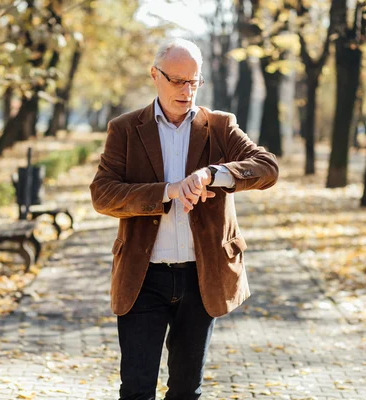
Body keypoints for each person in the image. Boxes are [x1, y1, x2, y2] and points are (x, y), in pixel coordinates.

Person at [90, 38, 279, 400]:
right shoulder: (125, 129)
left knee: (186, 390)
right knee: (136, 389)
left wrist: (213, 173)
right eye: (177, 80)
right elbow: (103, 194)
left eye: (194, 81)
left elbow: (267, 167)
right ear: (155, 76)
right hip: (143, 277)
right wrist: (167, 191)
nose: (186, 90)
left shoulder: (220, 126)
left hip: (200, 276)